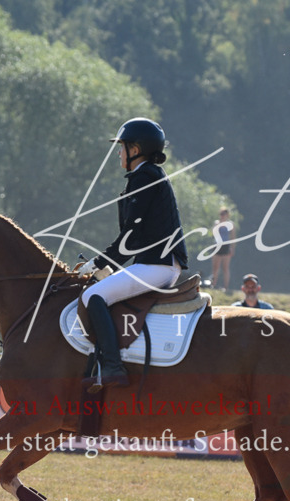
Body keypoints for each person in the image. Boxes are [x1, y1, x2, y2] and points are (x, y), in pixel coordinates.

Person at [78, 117, 188, 393]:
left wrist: (99, 262)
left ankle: (113, 367)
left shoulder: (145, 177)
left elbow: (130, 236)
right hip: (157, 262)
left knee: (93, 296)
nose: (118, 152)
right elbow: (136, 238)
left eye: (122, 147)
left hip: (157, 265)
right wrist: (108, 267)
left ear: (136, 149)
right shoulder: (147, 176)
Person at [210, 207, 235, 292]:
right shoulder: (216, 223)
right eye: (221, 214)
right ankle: (213, 285)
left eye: (224, 214)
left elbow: (233, 237)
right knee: (215, 267)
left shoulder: (230, 224)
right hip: (217, 245)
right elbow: (213, 233)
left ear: (227, 215)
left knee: (225, 267)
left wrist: (232, 248)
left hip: (226, 246)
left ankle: (226, 287)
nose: (222, 216)